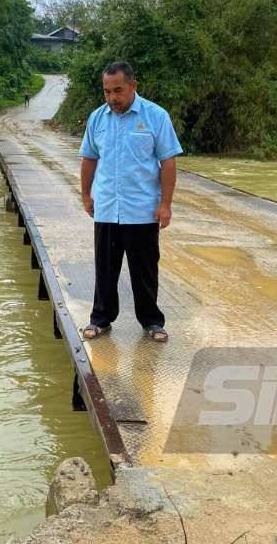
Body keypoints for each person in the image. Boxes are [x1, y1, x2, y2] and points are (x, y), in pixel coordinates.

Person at [78, 61, 183, 343]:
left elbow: (168, 161)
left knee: (144, 270)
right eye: (107, 91)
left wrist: (165, 204)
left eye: (118, 90)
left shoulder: (155, 116)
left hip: (142, 210)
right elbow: (89, 158)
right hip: (107, 208)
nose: (112, 97)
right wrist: (86, 194)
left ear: (133, 86)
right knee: (105, 268)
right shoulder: (97, 118)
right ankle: (100, 319)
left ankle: (152, 321)